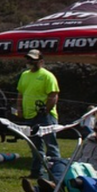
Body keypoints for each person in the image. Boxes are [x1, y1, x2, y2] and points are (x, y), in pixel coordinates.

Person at [22, 116, 97, 192]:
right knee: (58, 162)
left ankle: (46, 189)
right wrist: (70, 162)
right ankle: (45, 190)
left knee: (62, 164)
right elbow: (77, 156)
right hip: (79, 169)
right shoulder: (90, 140)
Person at [17, 49, 61, 182]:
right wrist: (20, 109)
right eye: (28, 59)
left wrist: (45, 110)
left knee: (51, 145)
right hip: (29, 116)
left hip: (46, 116)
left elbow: (53, 95)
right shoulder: (24, 75)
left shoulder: (47, 76)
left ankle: (57, 174)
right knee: (35, 146)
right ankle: (36, 172)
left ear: (41, 61)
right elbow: (20, 94)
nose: (29, 61)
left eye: (33, 59)